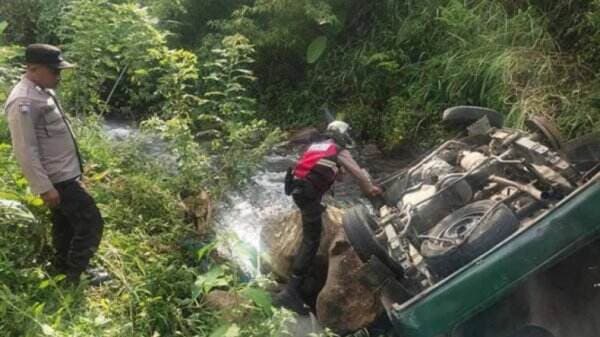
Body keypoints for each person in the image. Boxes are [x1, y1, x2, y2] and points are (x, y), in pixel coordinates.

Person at [4, 44, 106, 285]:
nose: (58, 76)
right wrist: (43, 187)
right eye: (54, 71)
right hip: (56, 179)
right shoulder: (23, 101)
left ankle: (62, 270)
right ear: (33, 68)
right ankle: (75, 276)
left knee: (65, 225)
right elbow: (24, 150)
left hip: (64, 174)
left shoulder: (42, 90)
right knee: (91, 223)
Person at [276, 120, 383, 314]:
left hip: (299, 190)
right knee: (311, 242)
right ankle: (290, 293)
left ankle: (294, 289)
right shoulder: (339, 149)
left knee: (315, 227)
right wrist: (370, 188)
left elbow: (332, 173)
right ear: (342, 134)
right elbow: (359, 175)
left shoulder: (319, 146)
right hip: (308, 194)